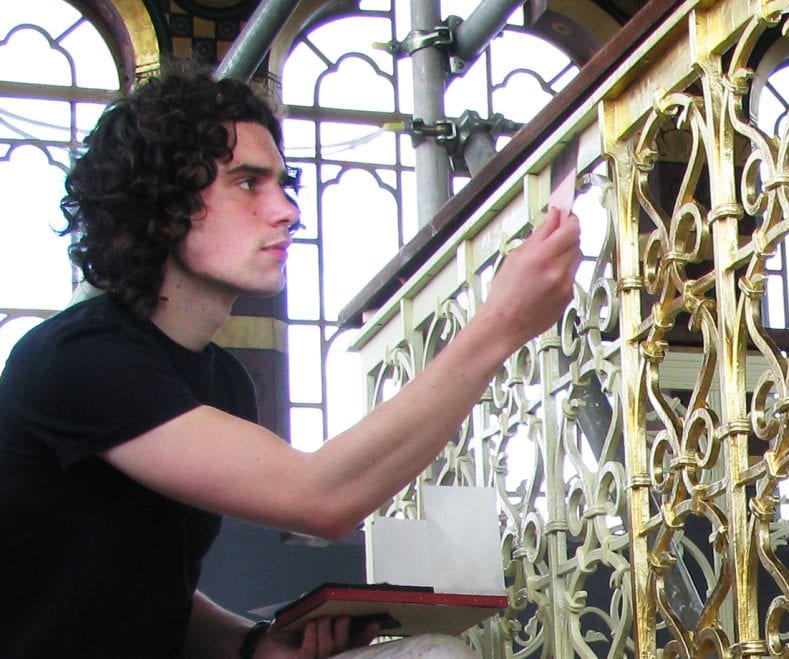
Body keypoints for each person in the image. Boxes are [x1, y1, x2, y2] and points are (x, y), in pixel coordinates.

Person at [0, 69, 581, 658]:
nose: (287, 211)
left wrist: (255, 645)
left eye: (283, 183)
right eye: (248, 183)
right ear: (163, 202)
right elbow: (320, 498)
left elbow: (152, 590)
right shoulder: (74, 357)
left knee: (429, 654)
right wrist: (497, 327)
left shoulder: (220, 379)